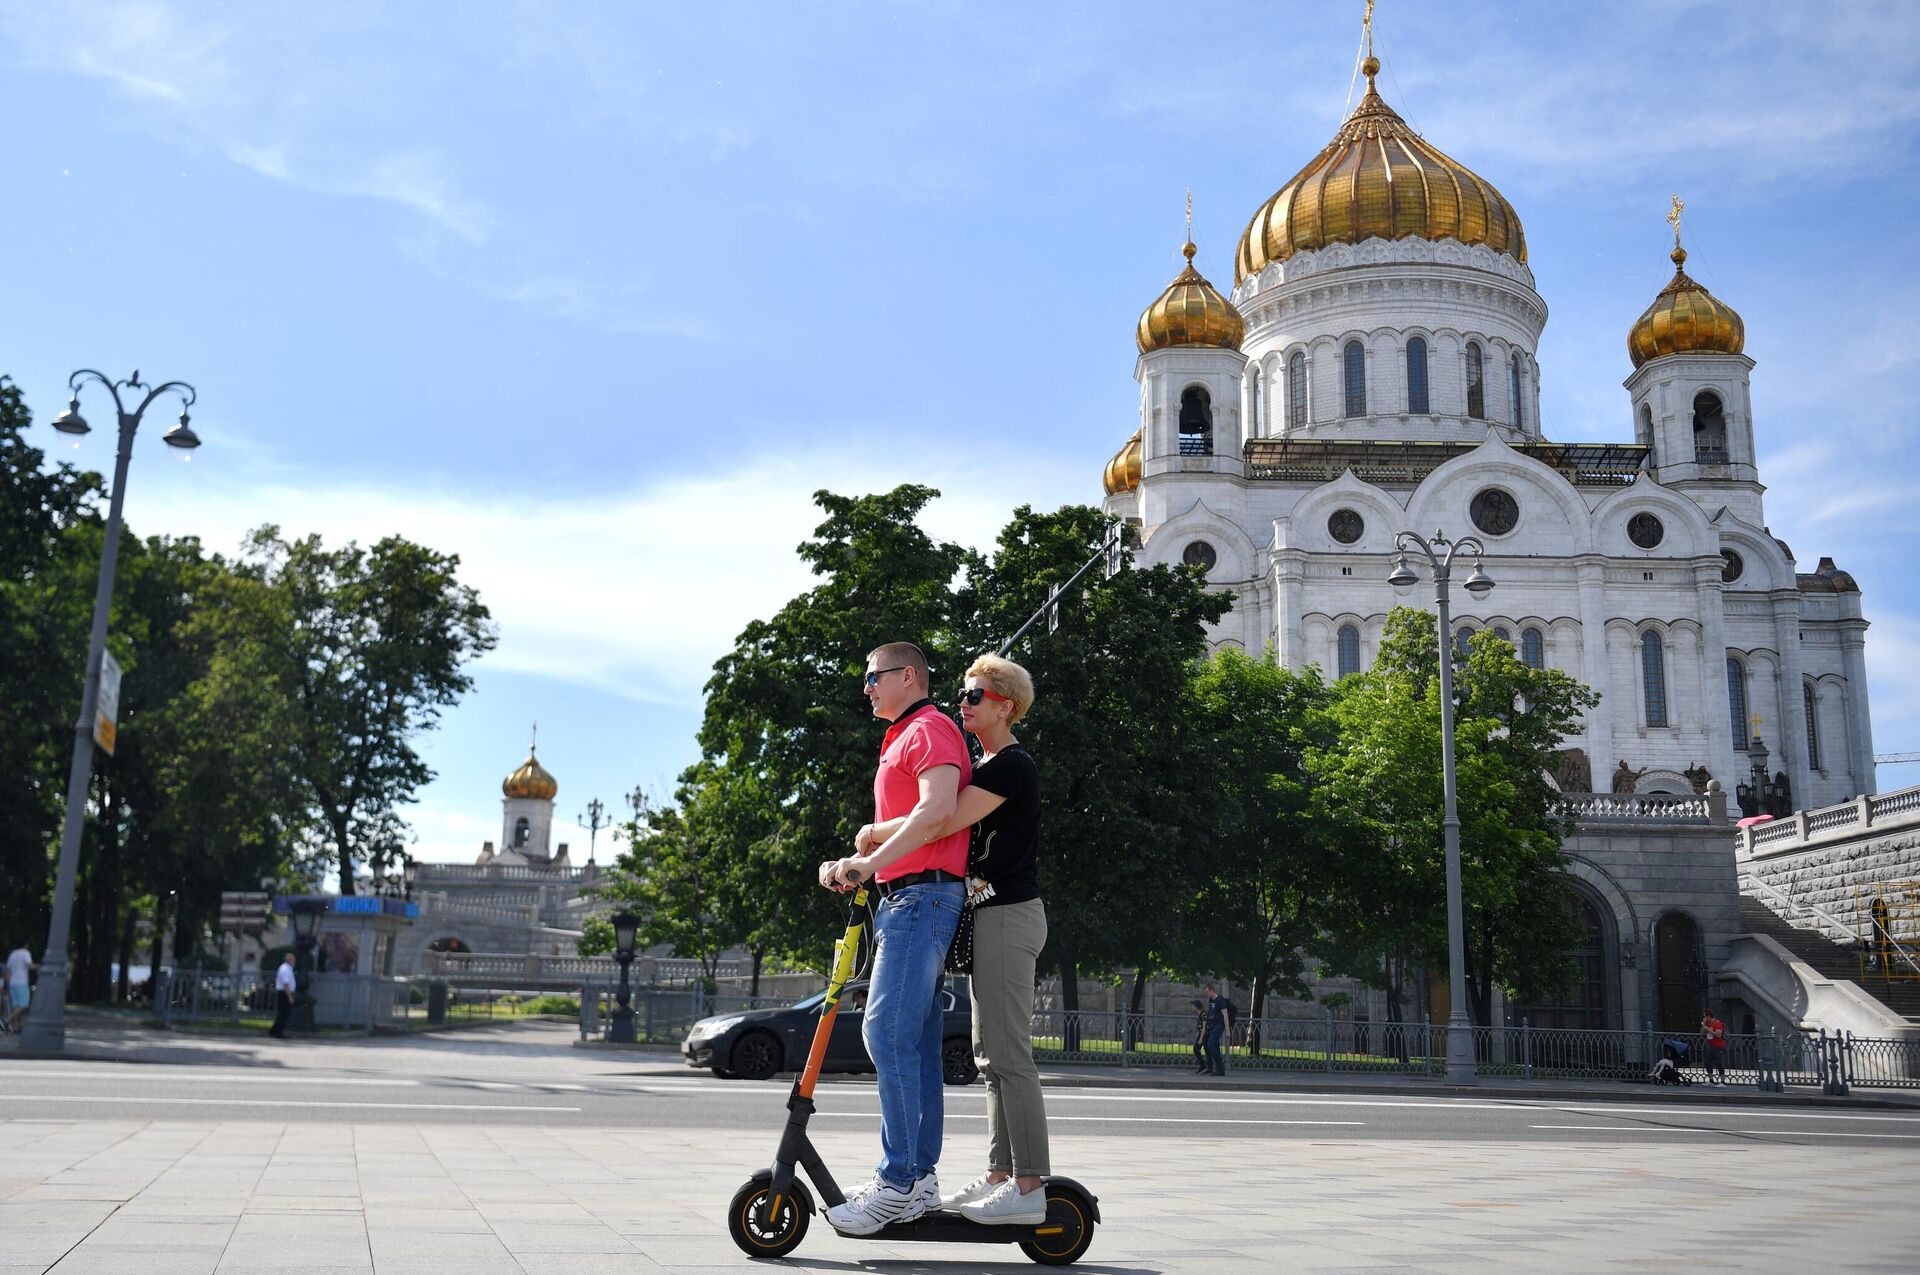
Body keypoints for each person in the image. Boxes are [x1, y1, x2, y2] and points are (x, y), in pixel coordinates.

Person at [843, 654, 1052, 1225]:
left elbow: (942, 817)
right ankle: (999, 1176)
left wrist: (871, 838)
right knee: (988, 1055)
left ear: (1005, 706)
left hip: (1010, 913)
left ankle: (1029, 1182)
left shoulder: (1010, 766)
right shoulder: (985, 764)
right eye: (961, 694)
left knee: (1009, 1055)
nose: (962, 704)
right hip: (986, 916)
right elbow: (936, 813)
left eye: (975, 696)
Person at [814, 641, 970, 1234]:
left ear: (909, 676)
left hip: (920, 897)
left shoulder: (929, 728)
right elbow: (920, 819)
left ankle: (900, 1180)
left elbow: (936, 813)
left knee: (884, 1033)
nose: (867, 688)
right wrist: (869, 842)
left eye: (873, 677)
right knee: (915, 1043)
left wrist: (868, 863)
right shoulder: (908, 735)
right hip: (907, 898)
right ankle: (917, 1179)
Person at [1201, 983, 1232, 1077]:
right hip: (1212, 1025)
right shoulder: (1211, 1000)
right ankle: (1219, 1069)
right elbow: (1211, 1012)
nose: (1206, 994)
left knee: (1211, 1044)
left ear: (1212, 990)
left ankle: (1220, 1066)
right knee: (1213, 1045)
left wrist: (1227, 1030)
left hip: (1219, 1025)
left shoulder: (1220, 1000)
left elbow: (1225, 1015)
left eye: (1207, 992)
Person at [5, 941, 36, 1032]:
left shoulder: (12, 954)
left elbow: (8, 970)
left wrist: (7, 984)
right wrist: (40, 966)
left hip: (12, 983)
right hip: (21, 982)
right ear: (26, 944)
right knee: (23, 1005)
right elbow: (30, 966)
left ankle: (16, 1028)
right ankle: (6, 1020)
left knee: (16, 1006)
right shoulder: (25, 953)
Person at [269, 951, 296, 1039]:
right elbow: (286, 984)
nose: (294, 961)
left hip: (285, 993)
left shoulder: (288, 968)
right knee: (283, 1014)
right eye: (293, 959)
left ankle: (274, 1031)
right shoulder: (285, 969)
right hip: (284, 993)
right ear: (289, 960)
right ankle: (277, 1032)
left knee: (283, 1014)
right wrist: (290, 996)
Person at [1700, 1008, 1728, 1085]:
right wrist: (1704, 1025)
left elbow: (1718, 1035)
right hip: (1709, 1045)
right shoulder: (1707, 1024)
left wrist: (1708, 1030)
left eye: (1705, 1017)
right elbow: (1702, 1033)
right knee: (1707, 1062)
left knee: (1718, 1063)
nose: (1704, 1018)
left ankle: (1722, 1081)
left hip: (1718, 1045)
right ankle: (1711, 1080)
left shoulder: (1717, 1023)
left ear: (1709, 1016)